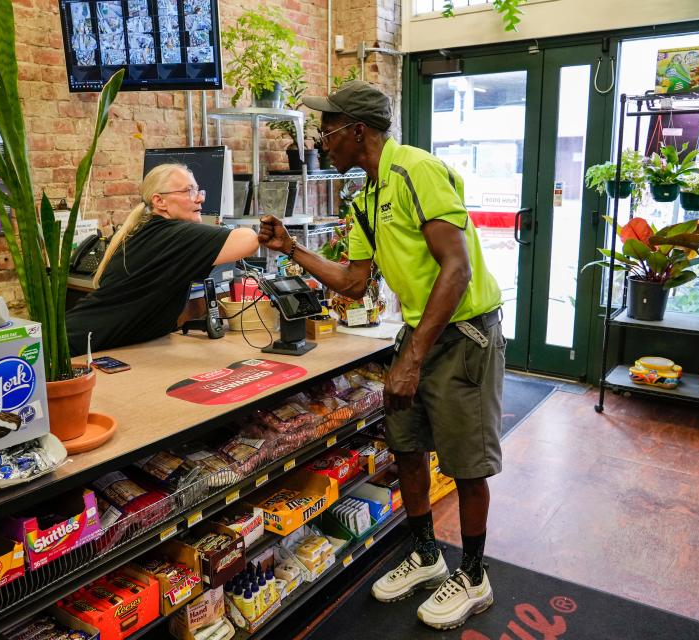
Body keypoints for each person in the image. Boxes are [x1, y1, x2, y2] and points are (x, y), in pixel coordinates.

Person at [258, 80, 504, 630]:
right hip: (419, 333)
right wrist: (291, 249)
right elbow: (351, 282)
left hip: (465, 335)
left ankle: (474, 573)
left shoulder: (416, 170)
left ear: (357, 131)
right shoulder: (365, 198)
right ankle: (425, 554)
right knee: (408, 447)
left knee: (466, 466)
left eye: (328, 129)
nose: (321, 140)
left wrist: (412, 358)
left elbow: (456, 269)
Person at [66, 163, 258, 353]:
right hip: (74, 349)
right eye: (189, 191)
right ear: (159, 201)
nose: (199, 199)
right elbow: (248, 240)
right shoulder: (171, 234)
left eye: (199, 191)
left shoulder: (150, 230)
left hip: (91, 343)